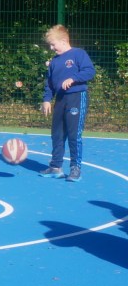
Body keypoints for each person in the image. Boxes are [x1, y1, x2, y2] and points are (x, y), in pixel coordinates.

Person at [40, 24, 95, 182]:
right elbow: (49, 83)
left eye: (53, 44)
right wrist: (46, 100)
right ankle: (55, 166)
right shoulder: (54, 61)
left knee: (73, 134)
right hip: (60, 100)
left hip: (76, 97)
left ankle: (75, 168)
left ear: (63, 40)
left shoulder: (78, 54)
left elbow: (89, 71)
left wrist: (73, 78)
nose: (51, 48)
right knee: (57, 134)